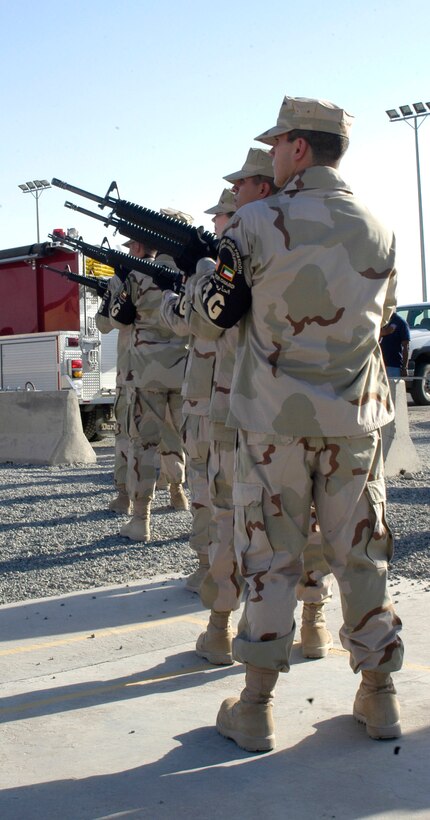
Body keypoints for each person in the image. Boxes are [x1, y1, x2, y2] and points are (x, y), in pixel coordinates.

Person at [190, 96, 403, 751]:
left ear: (300, 148)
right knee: (361, 556)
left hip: (274, 424)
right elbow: (383, 315)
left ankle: (254, 707)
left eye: (278, 144)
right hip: (355, 423)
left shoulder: (253, 222)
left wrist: (204, 270)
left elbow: (209, 315)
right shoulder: (379, 226)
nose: (274, 154)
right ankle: (379, 695)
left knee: (271, 557)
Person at [188, 152, 334, 666]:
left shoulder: (248, 237)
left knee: (236, 520)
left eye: (242, 184)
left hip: (243, 409)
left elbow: (208, 322)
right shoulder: (306, 235)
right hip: (314, 409)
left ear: (261, 184)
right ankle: (314, 621)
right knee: (311, 516)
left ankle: (222, 627)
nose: (236, 194)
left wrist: (200, 274)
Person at [109, 234, 189, 541]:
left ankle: (141, 519)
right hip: (186, 370)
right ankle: (186, 500)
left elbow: (118, 319)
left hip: (147, 372)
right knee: (191, 444)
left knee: (143, 444)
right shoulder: (192, 272)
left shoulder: (137, 274)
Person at [95, 239, 156, 515]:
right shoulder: (176, 275)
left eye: (132, 247)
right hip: (174, 369)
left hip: (133, 370)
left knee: (128, 435)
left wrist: (114, 287)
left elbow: (105, 324)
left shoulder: (128, 279)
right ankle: (177, 492)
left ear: (139, 249)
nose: (130, 251)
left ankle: (125, 497)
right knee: (168, 436)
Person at [380, 311, 410, 378]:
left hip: (393, 365)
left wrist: (404, 367)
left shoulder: (400, 322)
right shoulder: (382, 322)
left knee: (392, 387)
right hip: (380, 364)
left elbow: (406, 346)